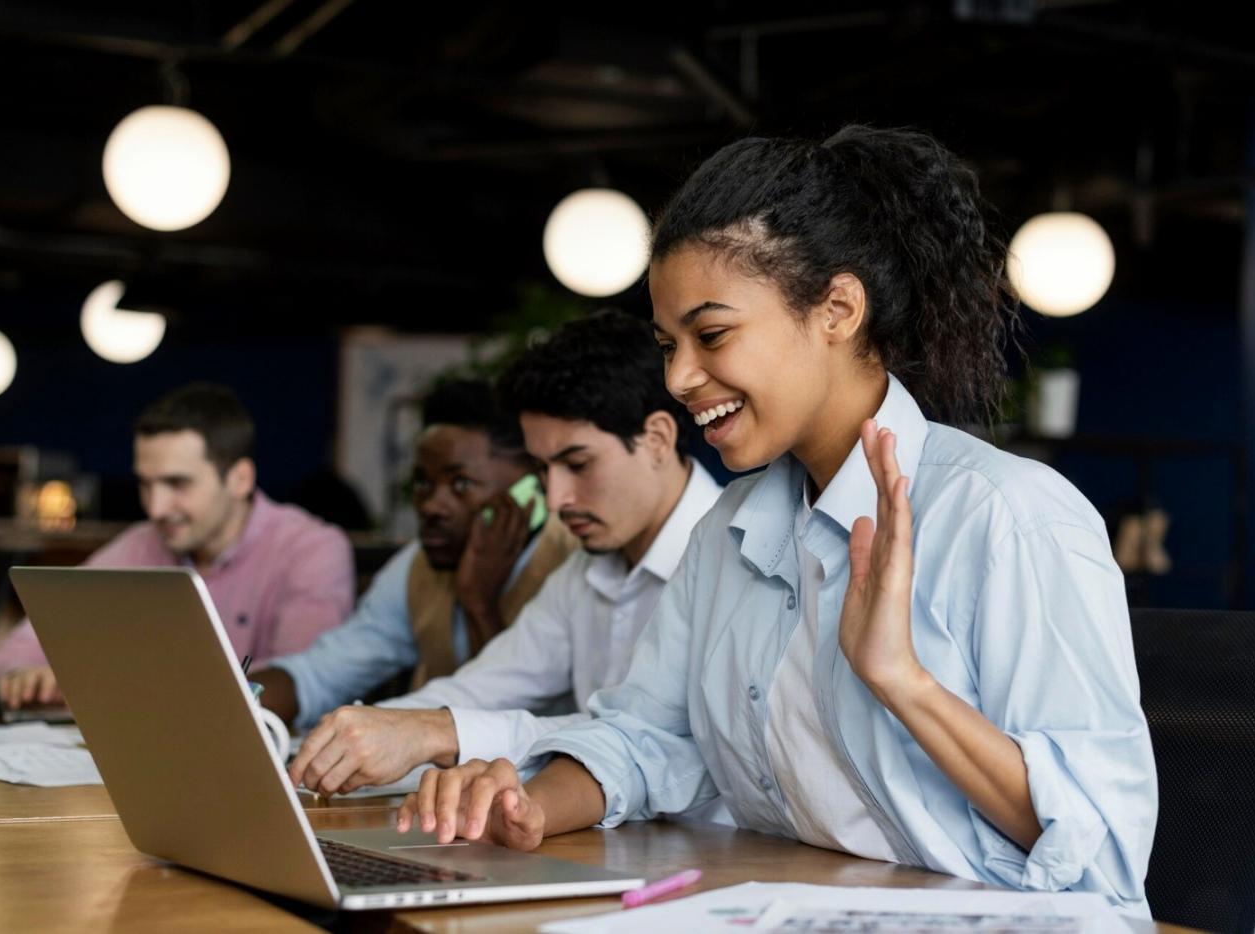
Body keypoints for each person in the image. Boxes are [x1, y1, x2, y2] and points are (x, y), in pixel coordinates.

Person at [396, 127, 1159, 913]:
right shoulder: (728, 532)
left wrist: (902, 681)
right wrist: (528, 806)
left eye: (712, 334)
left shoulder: (1007, 518)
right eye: (667, 344)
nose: (680, 377)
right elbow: (649, 732)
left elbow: (1098, 845)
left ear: (836, 309)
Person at [285, 311, 723, 796]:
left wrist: (434, 732)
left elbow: (651, 740)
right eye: (542, 469)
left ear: (658, 438)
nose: (556, 499)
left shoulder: (734, 556)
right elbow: (481, 690)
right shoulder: (584, 570)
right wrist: (352, 741)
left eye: (577, 464)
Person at [0, 383, 354, 709]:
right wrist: (24, 674)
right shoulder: (140, 544)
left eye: (177, 483)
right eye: (145, 484)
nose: (156, 507)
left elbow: (301, 683)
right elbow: (17, 651)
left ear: (240, 478)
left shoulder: (312, 549)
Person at [252, 378, 579, 729]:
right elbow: (322, 673)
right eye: (423, 484)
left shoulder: (570, 559)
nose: (433, 506)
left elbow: (507, 710)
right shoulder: (417, 565)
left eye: (460, 484)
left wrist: (478, 601)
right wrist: (238, 701)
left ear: (530, 487)